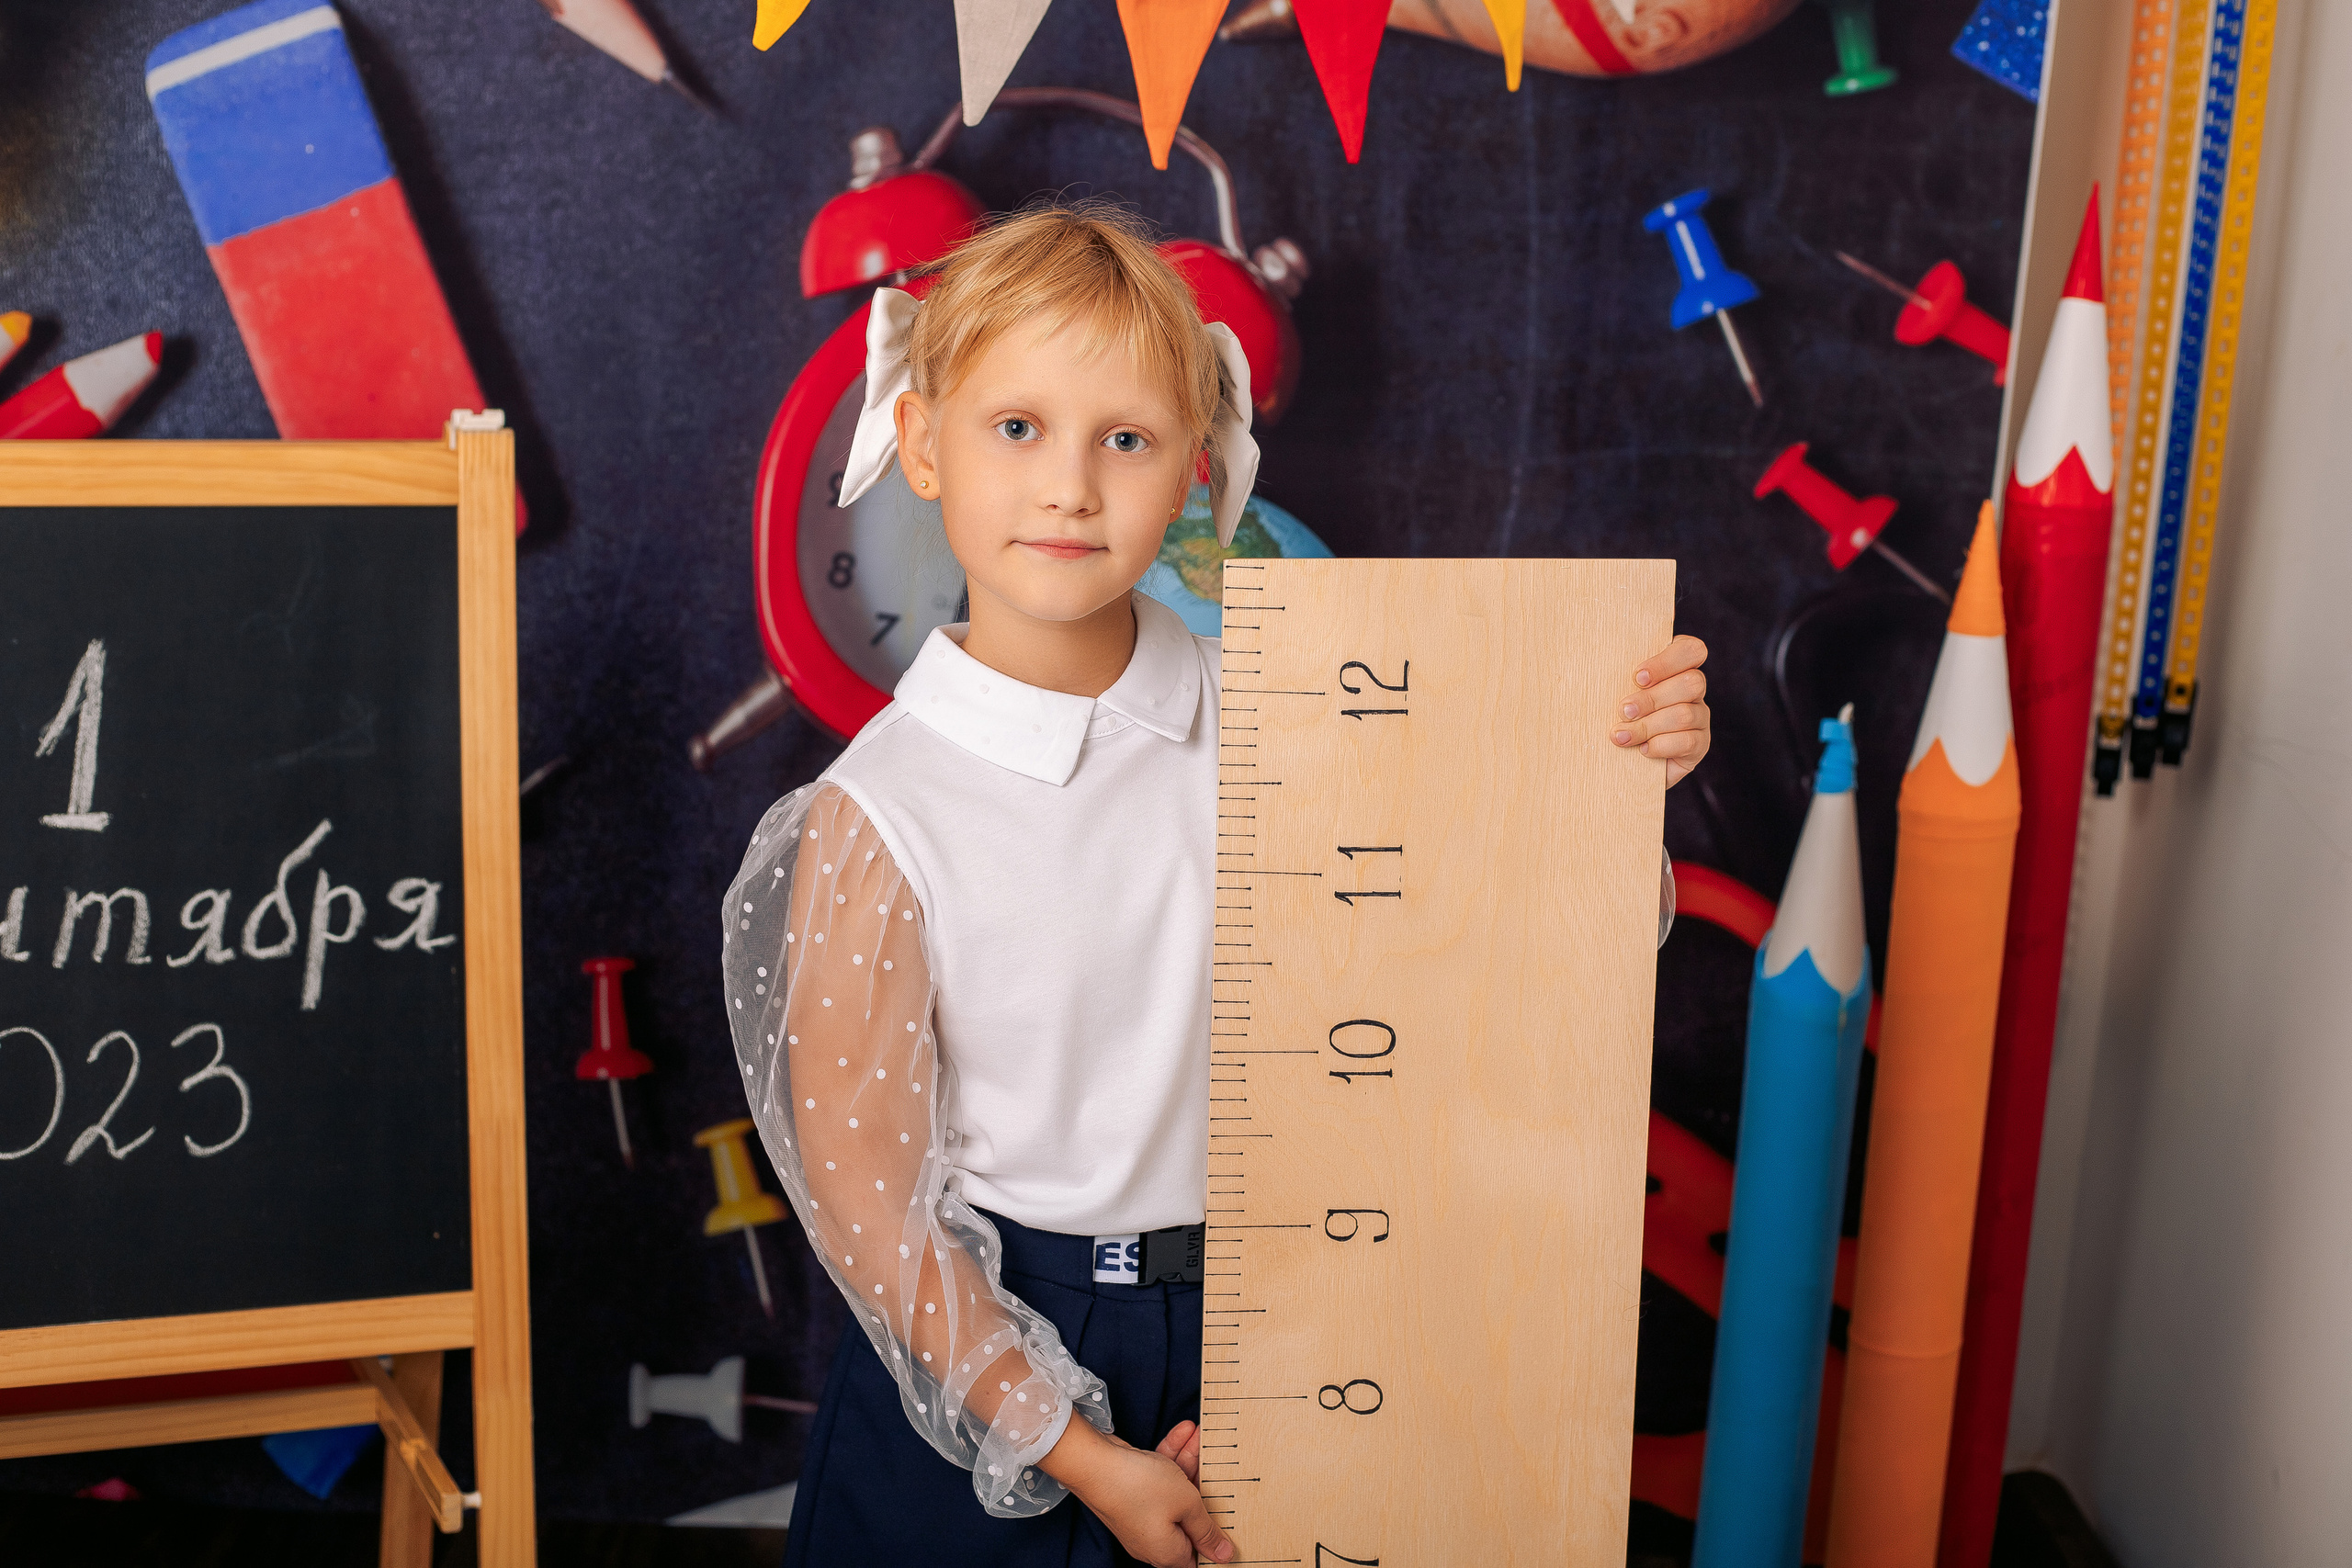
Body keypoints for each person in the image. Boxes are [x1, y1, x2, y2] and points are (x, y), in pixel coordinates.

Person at [718, 203, 1713, 1568]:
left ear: (1195, 464)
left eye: (1124, 438)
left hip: (1297, 1305)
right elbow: (874, 1219)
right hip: (1003, 1348)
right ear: (924, 443)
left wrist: (1618, 785)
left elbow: (1497, 936)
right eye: (1018, 428)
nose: (1070, 486)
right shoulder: (877, 818)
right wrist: (1074, 1446)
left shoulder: (1302, 710)